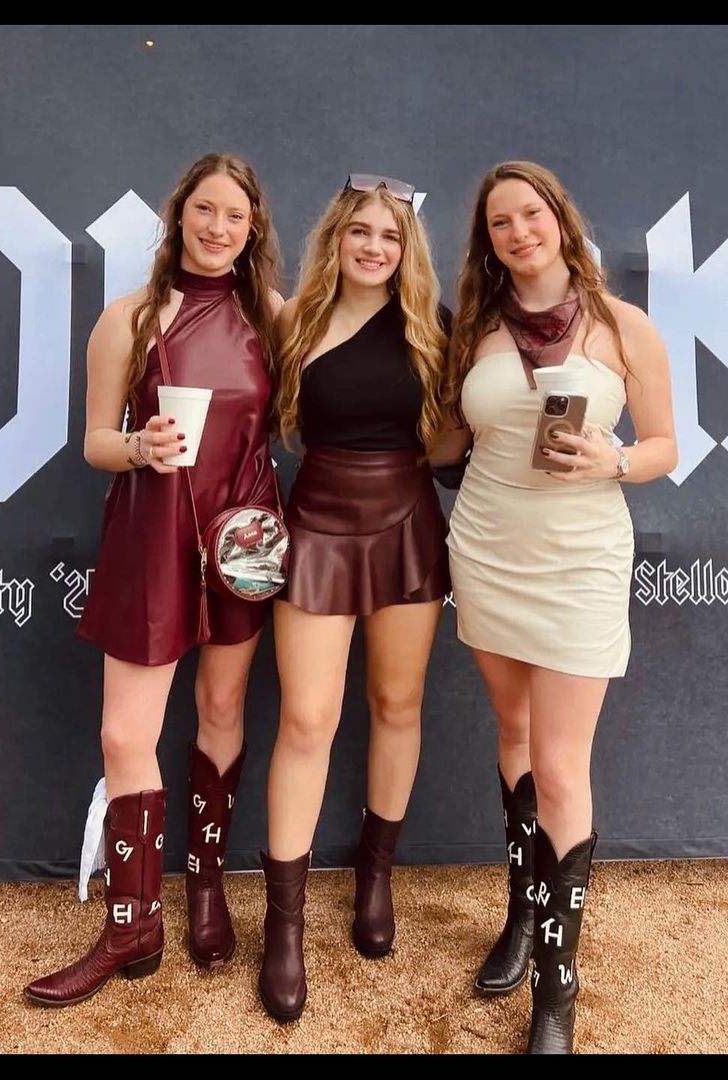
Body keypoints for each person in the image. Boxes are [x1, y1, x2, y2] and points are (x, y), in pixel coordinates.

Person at [24, 152, 284, 1007]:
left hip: (240, 536)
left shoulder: (272, 317)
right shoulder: (128, 317)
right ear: (180, 215)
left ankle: (206, 886)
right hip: (151, 534)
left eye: (235, 216)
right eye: (205, 209)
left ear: (252, 230)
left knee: (221, 707)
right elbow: (96, 440)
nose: (218, 228)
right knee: (124, 733)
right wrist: (138, 446)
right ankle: (133, 925)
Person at [434, 161, 677, 1053]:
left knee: (561, 763)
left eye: (530, 214)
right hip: (487, 551)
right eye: (500, 222)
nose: (518, 232)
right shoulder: (475, 332)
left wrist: (617, 460)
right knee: (514, 733)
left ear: (560, 220)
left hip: (580, 561)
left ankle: (556, 991)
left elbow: (664, 445)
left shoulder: (624, 326)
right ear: (487, 242)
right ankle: (523, 915)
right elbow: (446, 443)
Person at [257, 174, 451, 1023]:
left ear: (408, 250)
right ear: (334, 236)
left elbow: (453, 444)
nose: (375, 246)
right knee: (306, 721)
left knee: (397, 705)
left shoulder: (434, 328)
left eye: (391, 235)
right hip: (317, 522)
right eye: (360, 231)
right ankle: (285, 927)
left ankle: (376, 881)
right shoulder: (293, 320)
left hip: (408, 516)